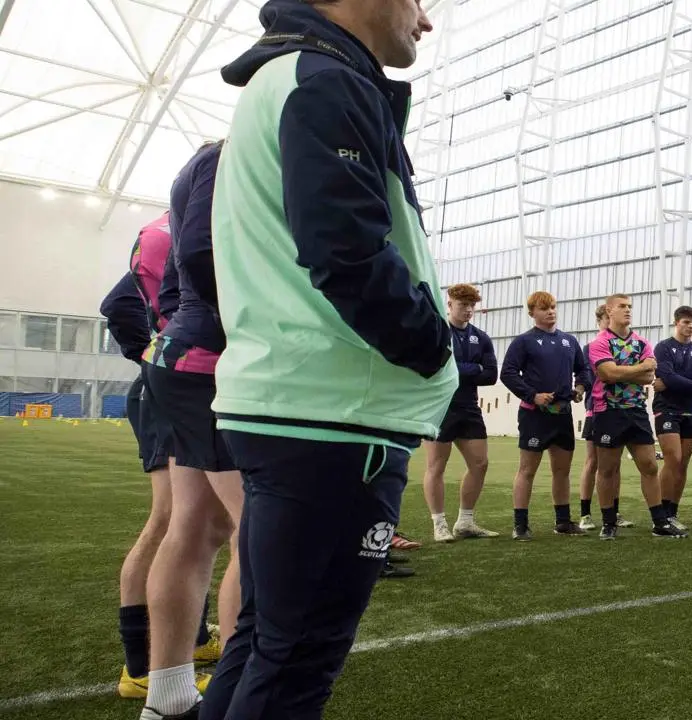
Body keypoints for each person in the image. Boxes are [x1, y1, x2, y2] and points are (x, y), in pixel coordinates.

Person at [197, 1, 445, 718]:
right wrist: (428, 344)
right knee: (296, 661)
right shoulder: (323, 79)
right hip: (332, 413)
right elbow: (346, 249)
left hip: (297, 403)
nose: (424, 20)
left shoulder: (289, 77)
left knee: (266, 641)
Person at [142, 139, 241, 720]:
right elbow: (204, 263)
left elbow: (184, 280)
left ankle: (168, 698)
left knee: (197, 526)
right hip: (213, 367)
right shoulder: (227, 155)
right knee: (254, 532)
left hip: (189, 359)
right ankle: (238, 693)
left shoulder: (210, 161)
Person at [103, 216, 219, 701]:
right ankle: (141, 670)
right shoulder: (178, 228)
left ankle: (189, 640)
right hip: (170, 385)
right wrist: (150, 355)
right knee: (172, 519)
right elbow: (115, 305)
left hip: (173, 382)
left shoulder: (177, 229)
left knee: (198, 523)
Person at [499, 291, 593, 540]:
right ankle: (520, 525)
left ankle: (563, 522)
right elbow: (508, 373)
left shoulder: (569, 341)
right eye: (543, 309)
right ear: (532, 313)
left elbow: (583, 370)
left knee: (562, 471)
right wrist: (533, 395)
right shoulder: (524, 342)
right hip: (534, 416)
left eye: (552, 307)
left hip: (562, 415)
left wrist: (581, 387)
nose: (550, 312)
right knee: (527, 470)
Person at [588, 294, 680, 538]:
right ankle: (609, 523)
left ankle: (659, 522)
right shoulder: (599, 343)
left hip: (637, 411)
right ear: (609, 310)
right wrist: (638, 369)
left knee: (649, 466)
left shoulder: (641, 342)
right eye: (622, 306)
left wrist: (623, 372)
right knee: (607, 469)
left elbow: (649, 377)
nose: (628, 310)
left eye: (630, 306)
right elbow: (608, 374)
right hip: (608, 411)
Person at [420, 284, 500, 540]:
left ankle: (465, 522)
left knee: (480, 463)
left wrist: (460, 368)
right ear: (450, 304)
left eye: (471, 305)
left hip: (469, 407)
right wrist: (472, 369)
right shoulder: (437, 332)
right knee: (436, 466)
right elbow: (435, 366)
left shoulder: (481, 337)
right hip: (440, 406)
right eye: (462, 305)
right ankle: (439, 524)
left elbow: (491, 375)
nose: (468, 310)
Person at [651, 305, 692, 532]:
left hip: (691, 411)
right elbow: (667, 377)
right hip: (667, 409)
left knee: (682, 464)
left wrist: (679, 383)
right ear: (677, 323)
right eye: (686, 322)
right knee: (672, 459)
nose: (691, 326)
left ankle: (672, 512)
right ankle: (661, 514)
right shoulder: (663, 348)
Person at [577, 304, 610, 530]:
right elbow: (586, 377)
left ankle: (612, 513)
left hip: (620, 411)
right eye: (607, 317)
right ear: (599, 320)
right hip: (597, 410)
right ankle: (585, 514)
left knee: (613, 465)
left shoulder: (626, 345)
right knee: (592, 462)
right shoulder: (590, 347)